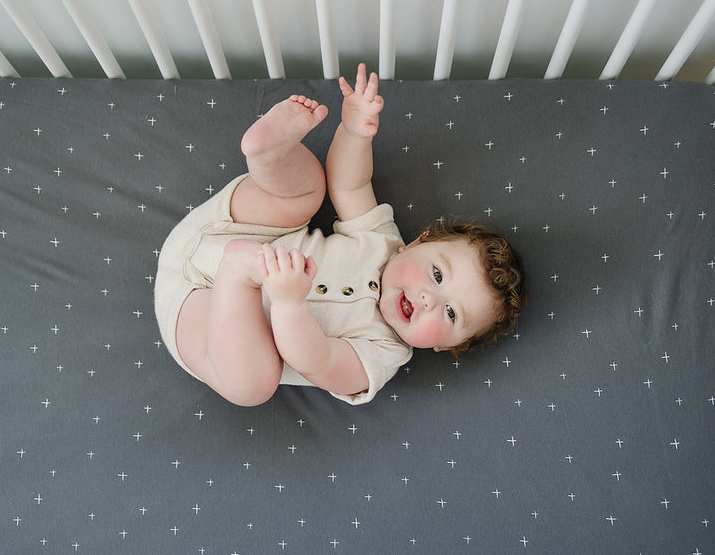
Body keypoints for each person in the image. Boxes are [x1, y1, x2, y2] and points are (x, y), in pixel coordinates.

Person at [154, 64, 525, 406]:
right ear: (419, 242)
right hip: (225, 231)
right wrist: (353, 132)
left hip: (197, 313)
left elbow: (318, 359)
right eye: (438, 275)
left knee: (252, 384)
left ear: (446, 348)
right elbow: (350, 185)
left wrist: (289, 303)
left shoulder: (382, 355)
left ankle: (239, 274)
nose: (429, 298)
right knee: (311, 189)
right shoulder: (382, 241)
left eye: (450, 313)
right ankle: (268, 156)